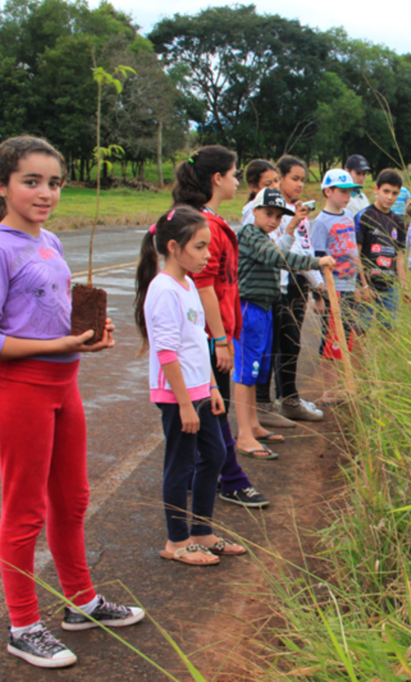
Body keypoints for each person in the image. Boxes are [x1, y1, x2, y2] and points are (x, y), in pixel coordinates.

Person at [0, 135, 144, 669]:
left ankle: (81, 603)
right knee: (25, 511)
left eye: (54, 183)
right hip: (20, 390)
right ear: (1, 185)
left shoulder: (51, 243)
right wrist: (54, 345)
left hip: (65, 384)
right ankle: (22, 625)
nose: (45, 193)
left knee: (74, 500)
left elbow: (53, 317)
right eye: (31, 182)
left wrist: (88, 334)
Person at [134, 207, 247, 567]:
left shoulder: (187, 285)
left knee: (213, 455)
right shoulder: (164, 289)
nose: (207, 254)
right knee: (180, 466)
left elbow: (198, 342)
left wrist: (212, 386)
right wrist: (184, 404)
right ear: (174, 247)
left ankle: (201, 531)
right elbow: (167, 353)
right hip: (177, 395)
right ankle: (177, 540)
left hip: (200, 390)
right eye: (200, 247)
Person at [173, 146, 270, 508]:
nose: (235, 181)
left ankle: (193, 476)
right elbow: (205, 285)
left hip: (208, 332)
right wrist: (220, 340)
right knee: (214, 408)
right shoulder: (203, 225)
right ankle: (230, 478)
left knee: (205, 409)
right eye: (232, 174)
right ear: (217, 178)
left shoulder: (205, 219)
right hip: (205, 334)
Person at [234, 188, 335, 457]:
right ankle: (244, 434)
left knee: (258, 367)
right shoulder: (249, 234)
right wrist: (316, 261)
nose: (273, 220)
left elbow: (276, 251)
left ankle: (254, 424)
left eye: (278, 216)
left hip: (265, 308)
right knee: (246, 372)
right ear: (253, 211)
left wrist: (288, 229)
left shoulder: (264, 237)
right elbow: (278, 258)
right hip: (249, 309)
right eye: (268, 213)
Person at [270, 155, 325, 422]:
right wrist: (316, 279)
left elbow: (306, 247)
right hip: (284, 280)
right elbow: (289, 250)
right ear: (278, 179)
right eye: (294, 178)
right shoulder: (276, 213)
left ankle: (289, 397)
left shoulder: (299, 212)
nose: (300, 184)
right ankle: (281, 399)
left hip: (301, 281)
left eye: (303, 179)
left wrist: (316, 285)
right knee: (284, 341)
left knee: (293, 343)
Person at [309, 169, 364, 402]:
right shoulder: (321, 222)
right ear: (328, 191)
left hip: (350, 286)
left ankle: (344, 384)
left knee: (346, 335)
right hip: (333, 287)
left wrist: (361, 283)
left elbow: (354, 251)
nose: (347, 196)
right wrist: (318, 295)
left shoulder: (348, 217)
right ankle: (328, 389)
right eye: (342, 192)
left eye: (349, 192)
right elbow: (316, 259)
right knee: (331, 336)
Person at [353, 168, 407, 330]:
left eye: (395, 193)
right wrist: (363, 286)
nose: (390, 197)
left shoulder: (398, 221)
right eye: (386, 191)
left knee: (389, 329)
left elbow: (399, 257)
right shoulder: (364, 216)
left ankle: (385, 357)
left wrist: (405, 287)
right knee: (361, 329)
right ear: (376, 190)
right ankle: (360, 356)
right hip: (368, 284)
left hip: (389, 286)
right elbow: (356, 254)